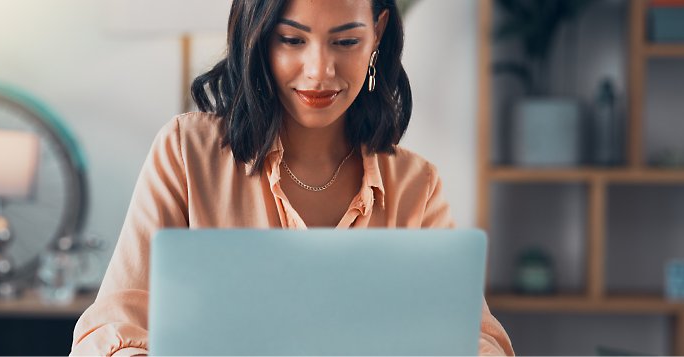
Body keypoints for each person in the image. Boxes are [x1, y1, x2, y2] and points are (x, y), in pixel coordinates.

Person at [70, 0, 514, 355]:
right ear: (257, 38)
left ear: (377, 32)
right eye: (291, 39)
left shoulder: (416, 183)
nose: (319, 71)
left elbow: (477, 336)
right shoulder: (186, 151)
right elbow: (110, 328)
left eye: (345, 41)